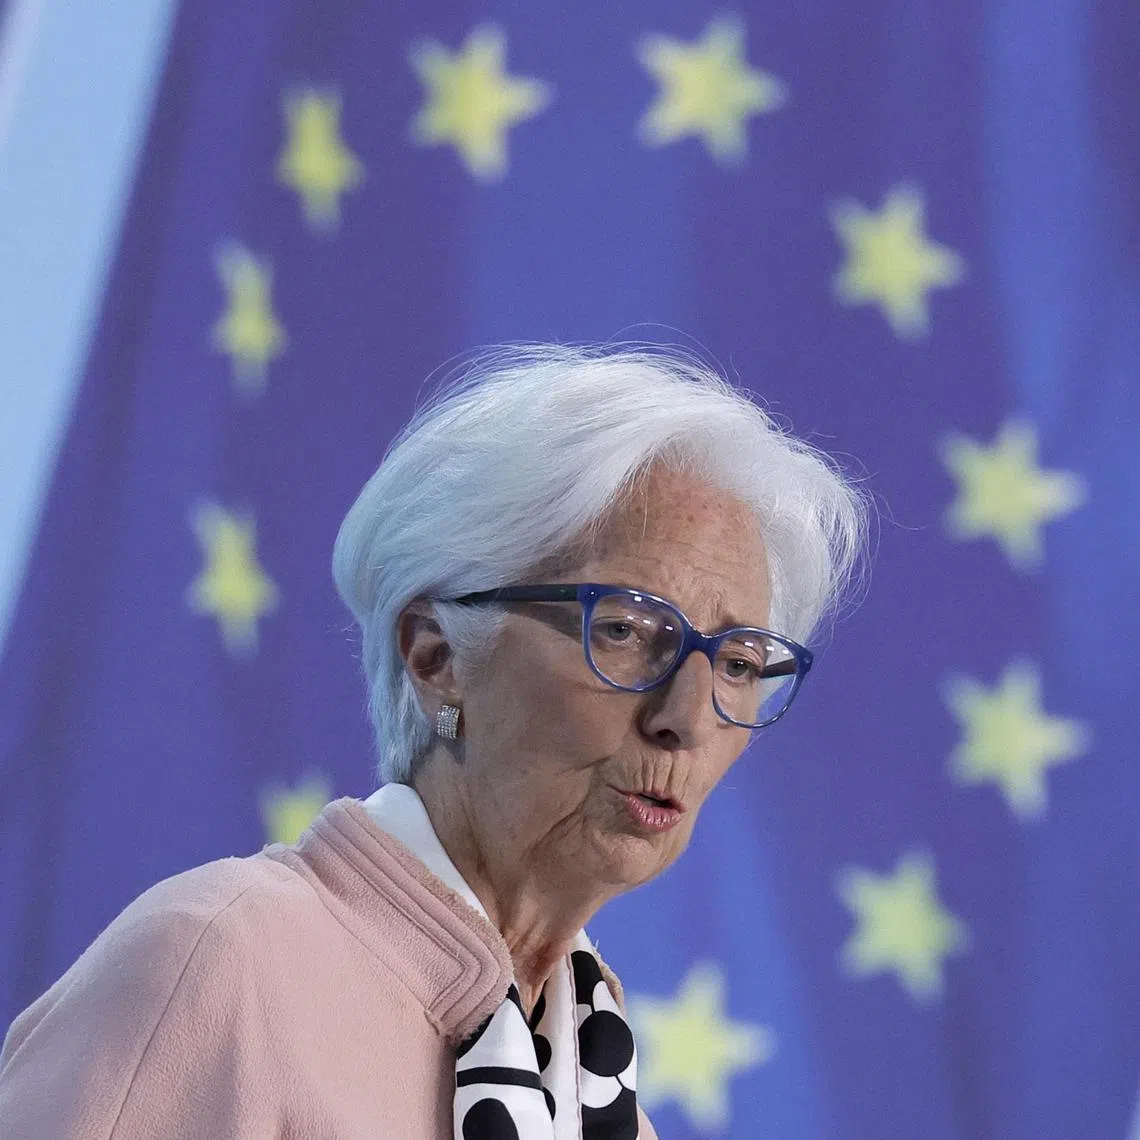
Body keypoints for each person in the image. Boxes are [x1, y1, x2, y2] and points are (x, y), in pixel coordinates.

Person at [0, 344, 868, 1138]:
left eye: (739, 663)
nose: (688, 716)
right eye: (627, 630)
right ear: (436, 656)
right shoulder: (218, 966)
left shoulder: (597, 1093)